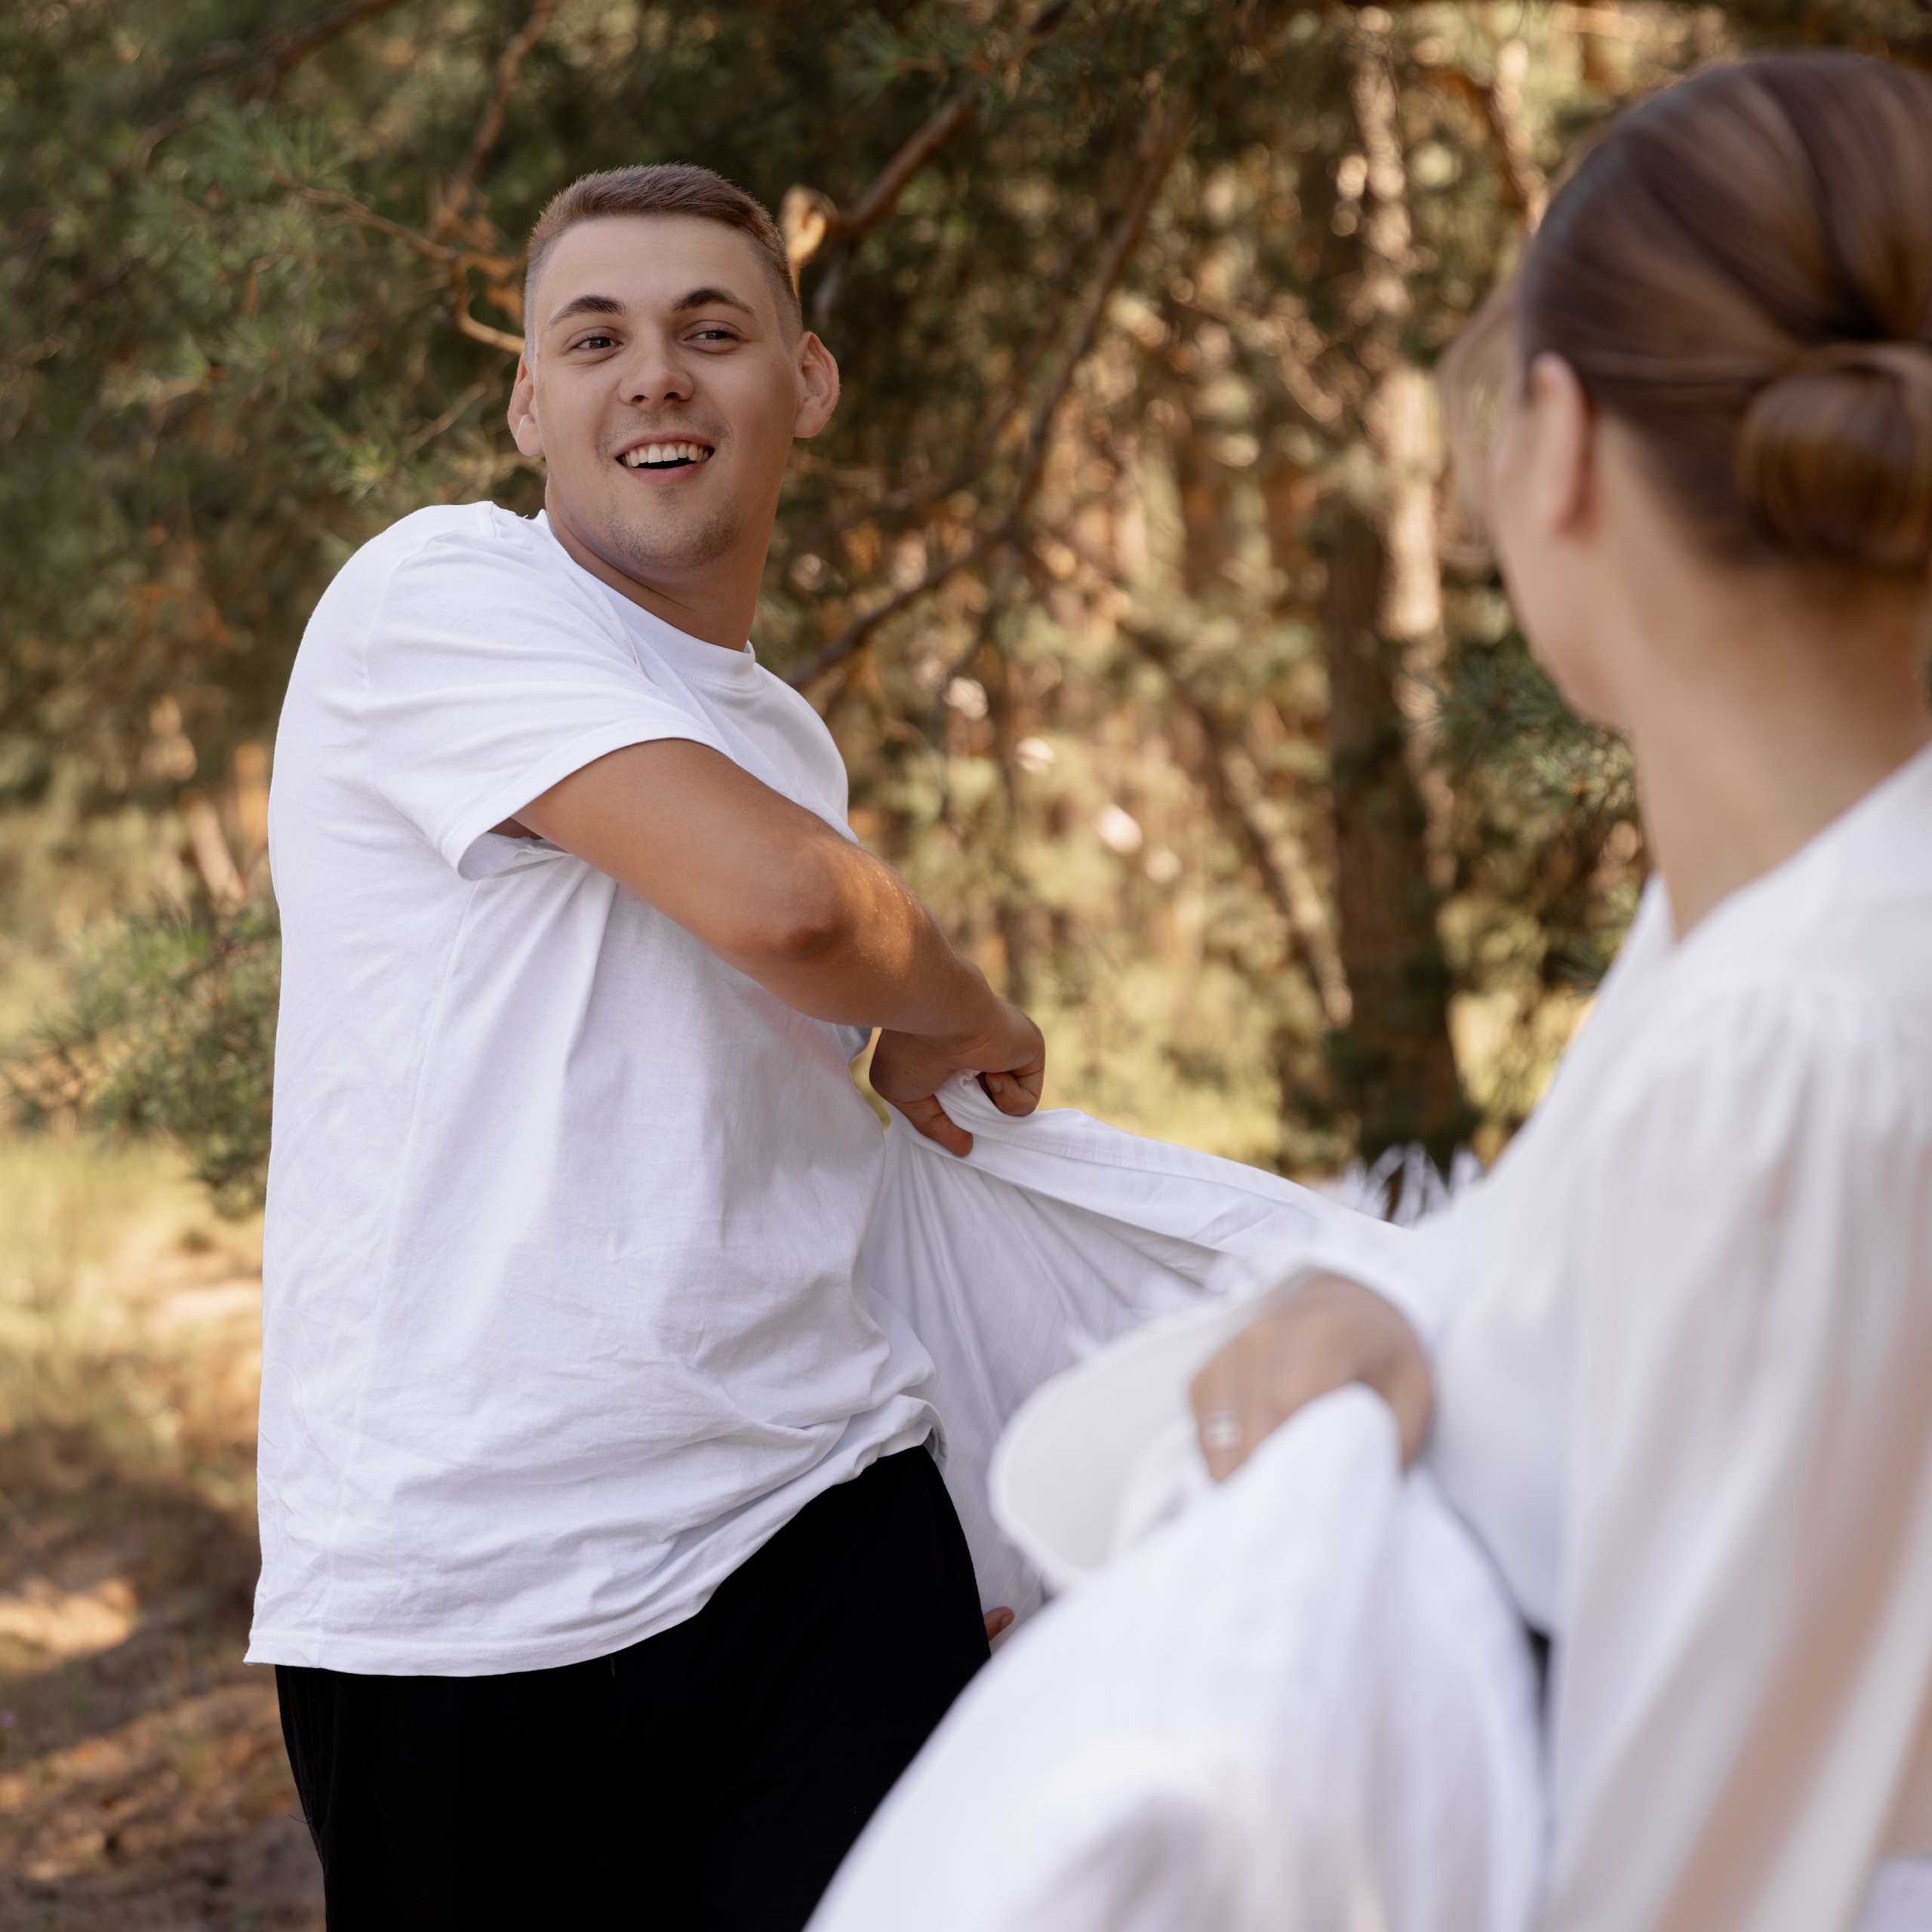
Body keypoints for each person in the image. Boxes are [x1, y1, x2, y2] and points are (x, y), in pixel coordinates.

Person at [248, 163, 1044, 1931]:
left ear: (806, 383)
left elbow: (751, 1169)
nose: (654, 375)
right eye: (594, 337)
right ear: (528, 402)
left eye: (711, 330)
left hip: (814, 1522)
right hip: (468, 1587)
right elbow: (798, 914)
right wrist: (965, 1011)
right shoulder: (435, 594)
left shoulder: (780, 734)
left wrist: (974, 1526)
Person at [1188, 50, 1932, 1930]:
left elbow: (1688, 1881)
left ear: (1560, 444)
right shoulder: (1745, 941)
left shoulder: (1799, 1048)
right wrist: (1401, 1314)